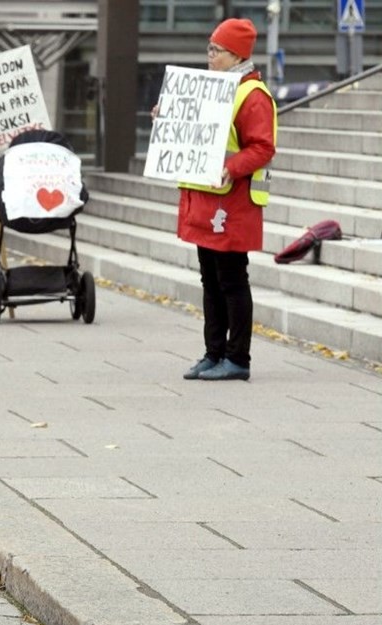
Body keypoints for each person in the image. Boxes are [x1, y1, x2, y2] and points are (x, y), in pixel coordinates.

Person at [165, 18, 276, 381]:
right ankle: (213, 354)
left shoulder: (252, 95)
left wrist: (233, 166)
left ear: (237, 55)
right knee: (210, 281)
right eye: (209, 49)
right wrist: (167, 120)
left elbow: (262, 147)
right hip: (207, 197)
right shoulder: (209, 87)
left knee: (230, 280)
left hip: (232, 200)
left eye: (217, 51)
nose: (210, 56)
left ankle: (237, 359)